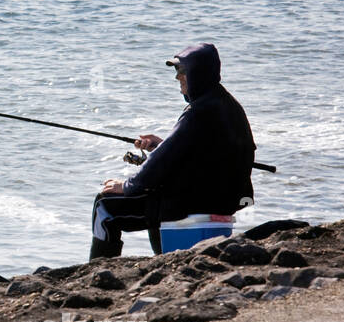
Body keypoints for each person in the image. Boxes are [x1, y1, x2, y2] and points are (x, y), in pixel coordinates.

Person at [90, 43, 256, 259]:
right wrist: (160, 146)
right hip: (220, 199)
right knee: (151, 195)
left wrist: (127, 186)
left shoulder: (199, 112)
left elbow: (156, 167)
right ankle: (162, 255)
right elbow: (193, 154)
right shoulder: (226, 105)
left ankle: (100, 267)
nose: (177, 78)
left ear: (198, 74)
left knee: (104, 206)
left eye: (182, 71)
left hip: (192, 202)